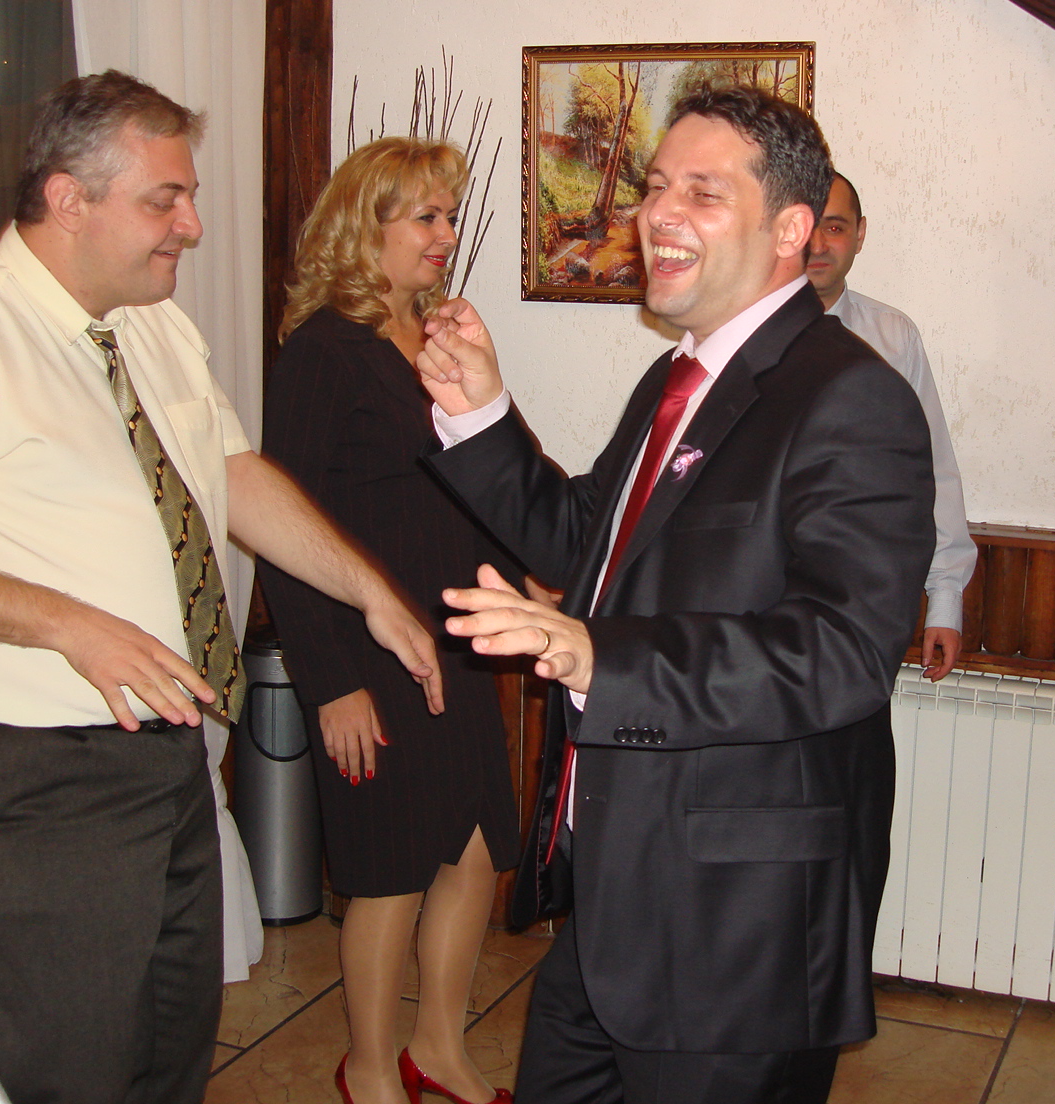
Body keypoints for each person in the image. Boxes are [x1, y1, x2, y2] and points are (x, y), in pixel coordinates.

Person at [0, 70, 443, 1104]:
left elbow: (232, 473)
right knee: (79, 1060)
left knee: (169, 1040)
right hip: (33, 763)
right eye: (166, 199)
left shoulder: (148, 322)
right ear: (69, 199)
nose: (191, 226)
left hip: (165, 746)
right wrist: (73, 627)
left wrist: (366, 588)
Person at [417, 85, 936, 1104]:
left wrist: (599, 657)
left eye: (703, 191)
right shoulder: (677, 379)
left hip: (737, 932)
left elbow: (841, 654)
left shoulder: (852, 396)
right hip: (615, 900)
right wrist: (483, 414)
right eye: (656, 186)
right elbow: (590, 543)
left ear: (789, 229)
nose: (656, 212)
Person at [257, 137, 520, 1104]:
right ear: (364, 230)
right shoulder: (323, 350)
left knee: (474, 848)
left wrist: (527, 587)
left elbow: (489, 476)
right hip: (366, 655)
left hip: (459, 645)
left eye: (450, 215)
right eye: (427, 217)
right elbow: (283, 530)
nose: (447, 234)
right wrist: (331, 683)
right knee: (390, 869)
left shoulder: (443, 340)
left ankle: (438, 1050)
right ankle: (368, 1069)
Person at [806, 172, 976, 679]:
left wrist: (944, 599)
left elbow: (933, 470)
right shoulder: (735, 337)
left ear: (859, 235)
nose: (818, 243)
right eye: (807, 224)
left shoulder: (893, 339)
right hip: (756, 600)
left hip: (862, 605)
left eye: (835, 227)